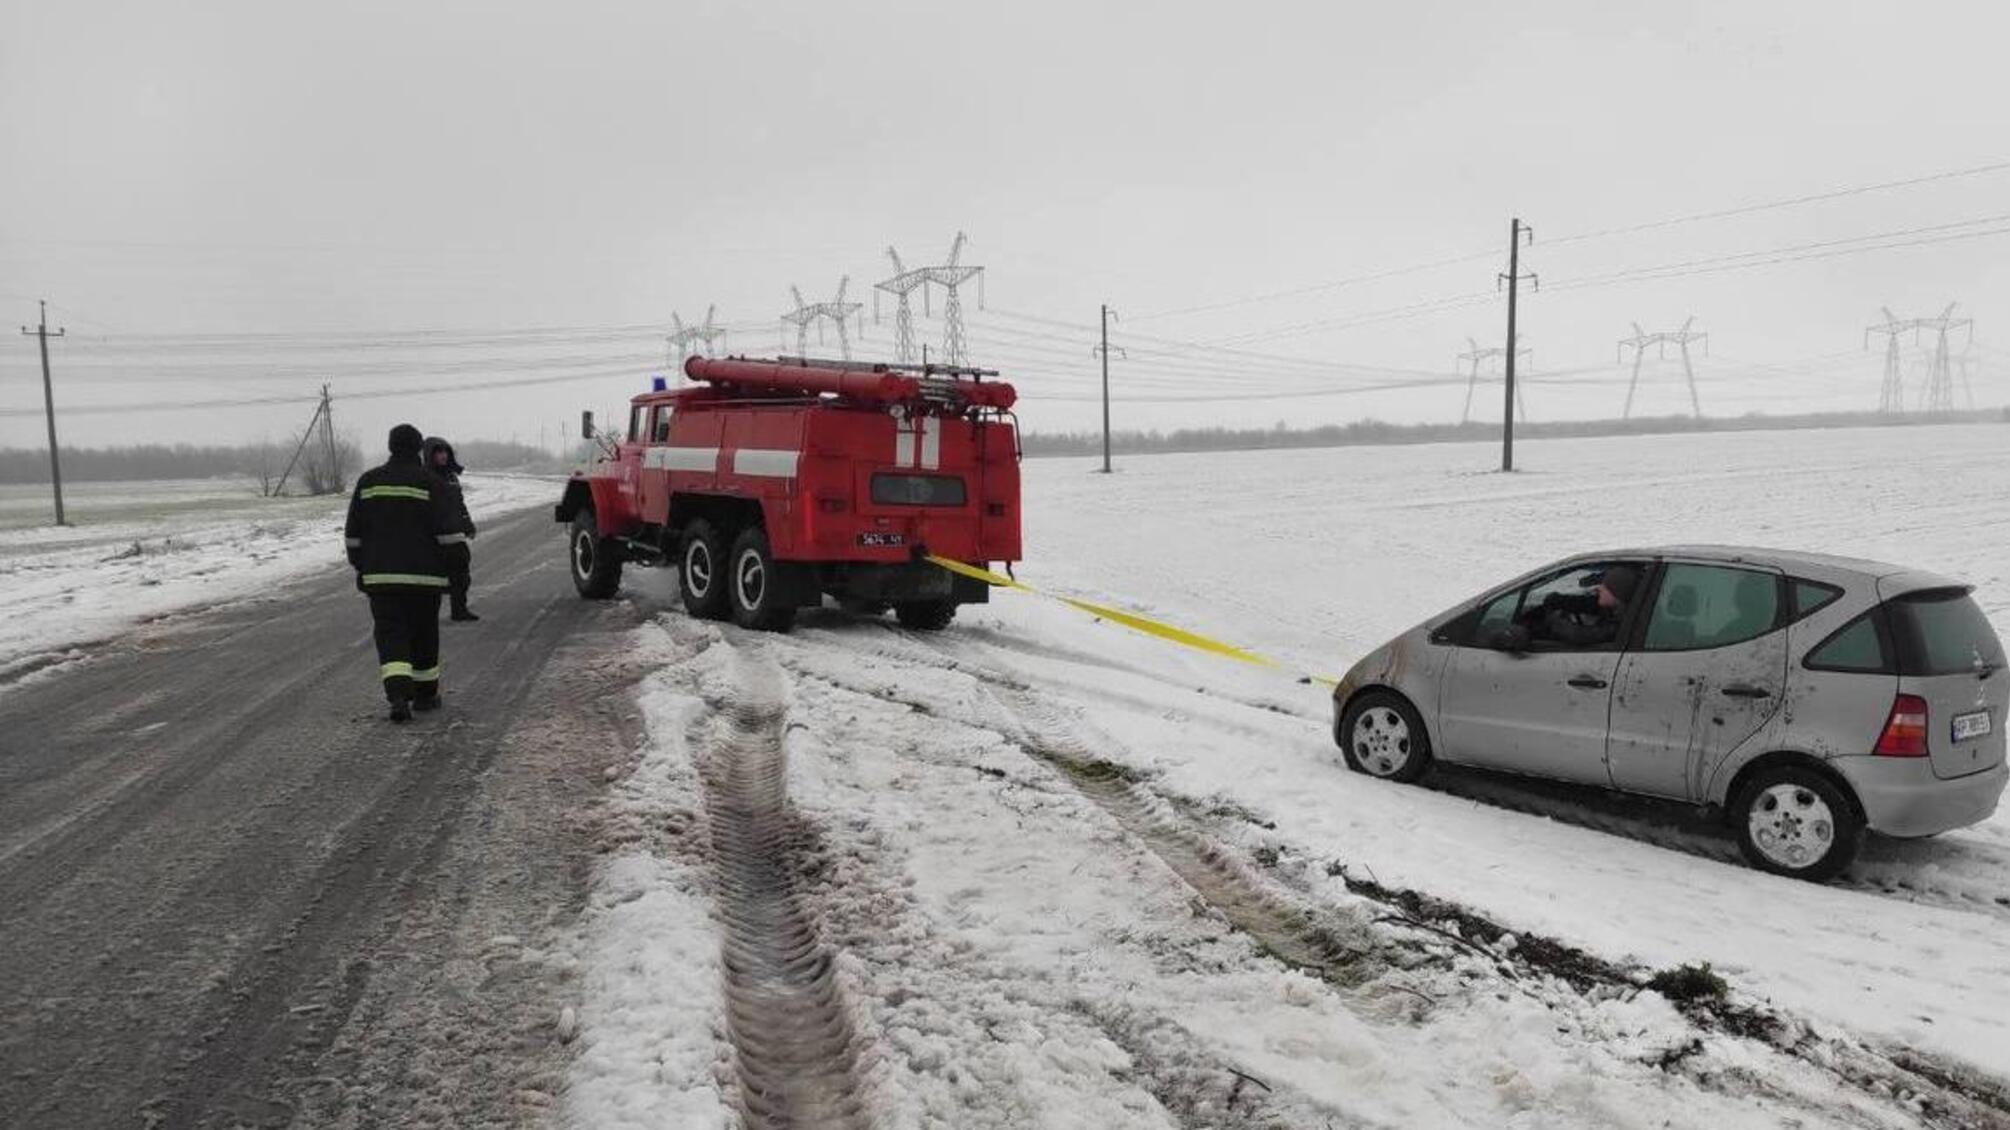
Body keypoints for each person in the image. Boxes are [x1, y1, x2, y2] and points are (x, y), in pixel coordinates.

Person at [345, 424, 461, 722]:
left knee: (390, 634)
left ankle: (398, 695)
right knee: (424, 633)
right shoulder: (431, 483)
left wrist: (362, 567)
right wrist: (456, 571)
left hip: (381, 580)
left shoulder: (368, 482)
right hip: (426, 581)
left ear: (390, 446)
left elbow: (353, 535)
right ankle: (424, 696)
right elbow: (449, 535)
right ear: (419, 448)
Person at [420, 435, 480, 621]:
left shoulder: (451, 477)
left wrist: (467, 524)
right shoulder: (424, 477)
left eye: (445, 451)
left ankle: (459, 610)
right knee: (433, 579)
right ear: (430, 455)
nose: (443, 456)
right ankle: (427, 617)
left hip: (455, 535)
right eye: (438, 452)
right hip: (433, 538)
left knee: (461, 575)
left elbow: (460, 504)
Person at [1524, 564, 1641, 648]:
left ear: (1617, 594)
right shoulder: (1615, 609)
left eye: (1605, 587)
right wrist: (1559, 600)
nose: (1598, 588)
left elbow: (1580, 635)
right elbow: (1589, 604)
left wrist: (1553, 621)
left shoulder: (1621, 623)